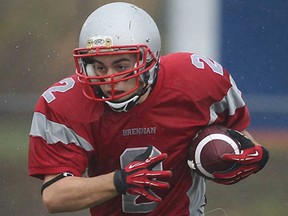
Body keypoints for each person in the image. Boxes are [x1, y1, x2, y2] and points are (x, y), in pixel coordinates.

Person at [28, 2, 269, 215]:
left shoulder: (196, 80)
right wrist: (120, 180)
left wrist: (249, 155)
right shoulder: (66, 103)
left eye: (121, 65)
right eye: (100, 67)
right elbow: (55, 195)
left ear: (151, 60)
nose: (110, 79)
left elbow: (239, 136)